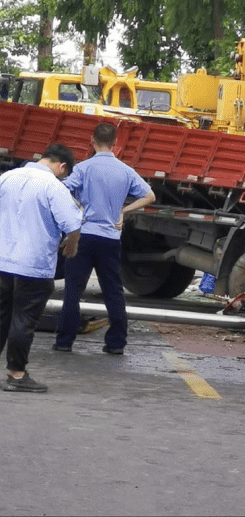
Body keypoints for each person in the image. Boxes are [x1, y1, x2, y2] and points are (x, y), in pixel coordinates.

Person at [55, 122, 155, 355]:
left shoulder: (84, 168)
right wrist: (124, 211)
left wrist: (78, 205)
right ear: (115, 144)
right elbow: (150, 195)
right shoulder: (125, 171)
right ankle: (116, 343)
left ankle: (64, 341)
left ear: (92, 140)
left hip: (84, 235)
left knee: (72, 290)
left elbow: (61, 190)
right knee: (113, 291)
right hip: (110, 238)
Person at [0, 144, 81, 393]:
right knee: (23, 320)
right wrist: (72, 246)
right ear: (62, 166)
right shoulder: (53, 186)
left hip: (1, 261)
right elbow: (72, 223)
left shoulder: (6, 177)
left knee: (1, 317)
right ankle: (16, 374)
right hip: (33, 266)